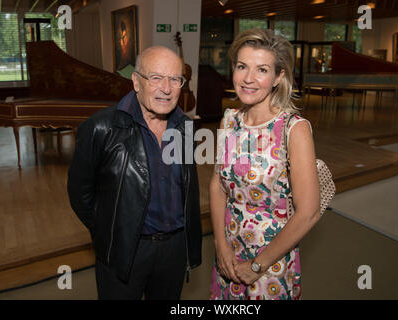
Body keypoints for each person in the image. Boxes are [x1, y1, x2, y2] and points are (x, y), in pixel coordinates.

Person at [67, 46, 202, 300]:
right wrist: (111, 230)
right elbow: (80, 194)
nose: (167, 88)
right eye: (156, 78)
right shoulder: (100, 128)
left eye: (175, 79)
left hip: (174, 251)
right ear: (136, 82)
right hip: (125, 250)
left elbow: (185, 188)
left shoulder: (186, 127)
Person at [209, 29, 320, 300]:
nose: (248, 78)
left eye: (261, 69)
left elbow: (309, 212)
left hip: (271, 261)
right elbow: (217, 186)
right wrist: (220, 244)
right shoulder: (230, 120)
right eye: (242, 66)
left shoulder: (294, 129)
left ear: (278, 77)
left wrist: (258, 265)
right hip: (230, 252)